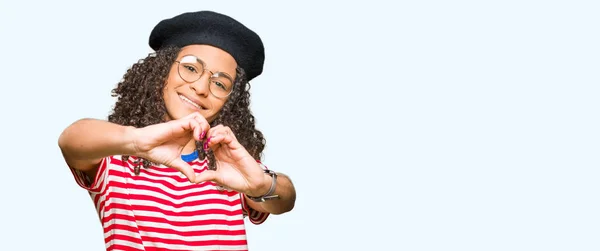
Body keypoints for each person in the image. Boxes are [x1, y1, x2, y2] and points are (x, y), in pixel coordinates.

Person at [58, 10, 296, 251]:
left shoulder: (227, 163)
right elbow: (70, 141)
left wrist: (262, 186)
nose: (202, 88)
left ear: (230, 100)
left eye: (220, 84)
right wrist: (137, 140)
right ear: (162, 70)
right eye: (191, 68)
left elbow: (285, 200)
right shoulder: (118, 156)